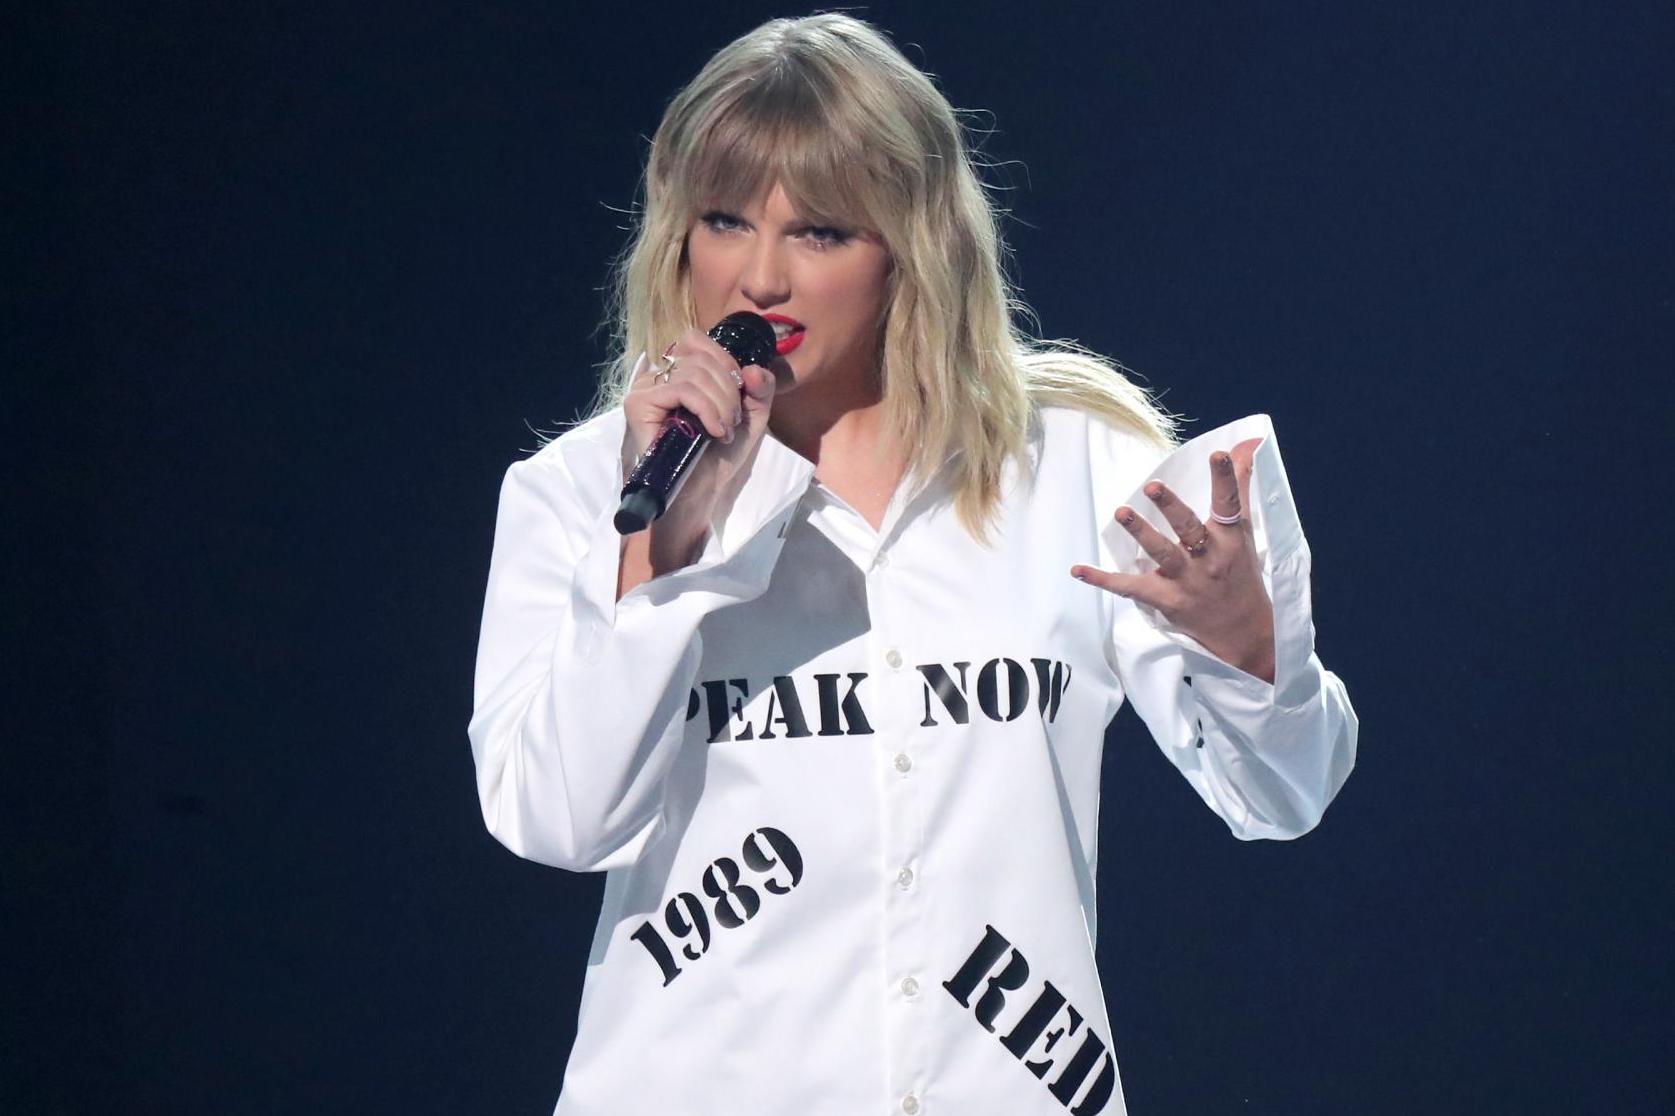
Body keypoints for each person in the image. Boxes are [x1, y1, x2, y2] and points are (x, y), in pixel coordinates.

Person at [468, 13, 1357, 1116]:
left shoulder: (1076, 471)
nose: (760, 278)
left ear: (913, 248)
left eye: (821, 233)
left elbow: (1286, 796)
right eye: (724, 220)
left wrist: (1245, 649)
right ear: (674, 235)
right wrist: (668, 554)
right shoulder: (586, 491)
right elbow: (558, 823)